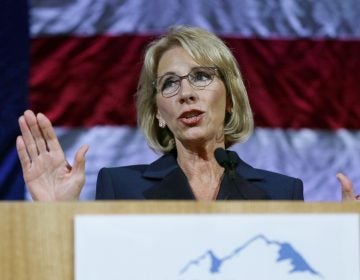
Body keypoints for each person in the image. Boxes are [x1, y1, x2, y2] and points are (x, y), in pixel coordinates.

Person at [16, 26, 357, 201]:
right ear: (159, 113)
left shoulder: (281, 192)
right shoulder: (121, 186)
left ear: (230, 99)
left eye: (202, 76)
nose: (186, 93)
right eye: (169, 84)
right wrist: (56, 215)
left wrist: (341, 242)